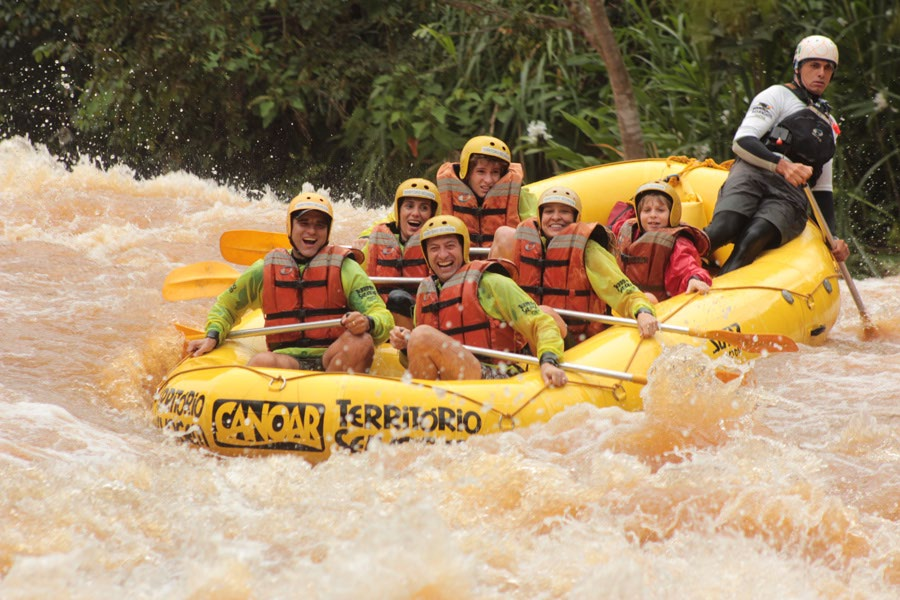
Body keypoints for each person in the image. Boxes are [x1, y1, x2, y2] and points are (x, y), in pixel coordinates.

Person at [186, 192, 394, 373]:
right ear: (290, 226)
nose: (311, 231)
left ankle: (334, 404)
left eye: (319, 225)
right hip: (287, 361)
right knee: (261, 361)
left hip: (332, 357)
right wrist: (213, 335)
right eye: (304, 223)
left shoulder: (346, 268)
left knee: (361, 342)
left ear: (327, 231)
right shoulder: (264, 269)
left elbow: (381, 314)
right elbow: (226, 306)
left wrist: (368, 322)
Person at [704, 34, 850, 274]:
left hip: (790, 194)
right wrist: (782, 165)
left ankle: (718, 288)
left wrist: (832, 236)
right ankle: (668, 264)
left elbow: (822, 188)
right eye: (814, 65)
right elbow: (742, 142)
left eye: (827, 68)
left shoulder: (829, 124)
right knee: (725, 227)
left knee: (755, 236)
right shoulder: (777, 96)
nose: (821, 73)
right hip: (753, 172)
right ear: (798, 67)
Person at [389, 215, 568, 387]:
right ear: (426, 255)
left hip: (500, 378)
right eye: (434, 248)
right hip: (454, 379)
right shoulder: (426, 292)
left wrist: (548, 361)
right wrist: (405, 347)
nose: (443, 255)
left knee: (421, 335)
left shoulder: (490, 282)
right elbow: (420, 361)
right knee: (419, 337)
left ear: (463, 248)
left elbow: (542, 322)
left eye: (450, 246)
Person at [490, 186, 659, 349]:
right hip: (529, 335)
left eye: (564, 211)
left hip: (574, 341)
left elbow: (622, 287)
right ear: (540, 217)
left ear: (575, 217)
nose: (556, 217)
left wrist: (642, 311)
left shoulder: (588, 249)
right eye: (549, 211)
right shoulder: (526, 243)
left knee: (544, 313)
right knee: (504, 233)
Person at [611, 178, 712, 303]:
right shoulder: (627, 228)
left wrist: (694, 278)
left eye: (660, 210)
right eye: (647, 210)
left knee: (648, 299)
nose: (653, 215)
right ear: (638, 214)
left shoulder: (678, 242)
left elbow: (686, 265)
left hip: (657, 305)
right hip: (624, 301)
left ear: (673, 214)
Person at [355, 178, 439, 328]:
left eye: (424, 208)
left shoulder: (439, 247)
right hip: (380, 320)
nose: (415, 213)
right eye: (409, 206)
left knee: (398, 299)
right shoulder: (378, 238)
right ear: (398, 211)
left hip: (420, 320)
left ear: (433, 215)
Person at [436, 135, 527, 247]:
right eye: (481, 172)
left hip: (500, 263)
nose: (488, 180)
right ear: (467, 172)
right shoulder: (442, 196)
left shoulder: (520, 197)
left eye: (495, 172)